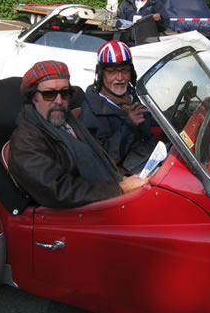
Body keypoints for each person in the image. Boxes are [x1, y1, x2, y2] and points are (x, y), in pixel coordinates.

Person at [9, 60, 147, 208]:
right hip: (79, 214)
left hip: (106, 195)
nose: (59, 101)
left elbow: (99, 157)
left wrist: (124, 178)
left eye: (65, 93)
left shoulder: (69, 121)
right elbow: (58, 190)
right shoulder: (25, 141)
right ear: (33, 97)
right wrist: (119, 188)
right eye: (49, 94)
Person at [79, 41, 157, 174]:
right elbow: (103, 160)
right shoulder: (91, 112)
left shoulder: (129, 94)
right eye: (112, 72)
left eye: (125, 70)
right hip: (129, 174)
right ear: (101, 74)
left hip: (150, 157)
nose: (120, 78)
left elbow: (149, 119)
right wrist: (129, 126)